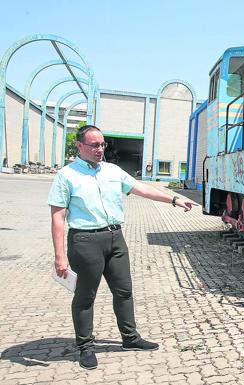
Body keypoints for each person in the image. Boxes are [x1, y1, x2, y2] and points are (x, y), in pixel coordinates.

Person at [48, 125, 196, 370]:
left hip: (115, 239)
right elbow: (57, 216)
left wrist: (174, 198)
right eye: (94, 145)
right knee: (86, 297)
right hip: (85, 242)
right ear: (80, 146)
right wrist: (59, 256)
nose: (100, 149)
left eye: (102, 144)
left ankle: (130, 338)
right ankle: (85, 346)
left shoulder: (112, 171)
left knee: (124, 290)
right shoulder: (67, 175)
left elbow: (142, 188)